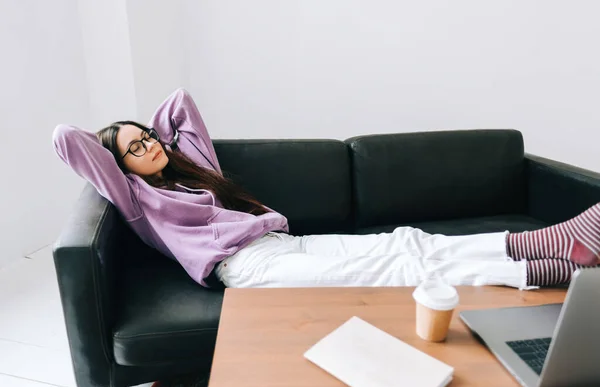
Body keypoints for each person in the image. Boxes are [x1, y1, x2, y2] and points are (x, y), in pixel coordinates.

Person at [53, 88, 600, 290]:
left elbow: (179, 103)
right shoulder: (136, 201)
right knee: (399, 271)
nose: (148, 141)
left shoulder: (188, 167)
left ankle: (548, 240)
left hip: (282, 244)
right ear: (114, 165)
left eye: (147, 135)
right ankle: (547, 270)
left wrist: (154, 143)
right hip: (247, 268)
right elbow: (66, 140)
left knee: (405, 241)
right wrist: (115, 151)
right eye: (132, 145)